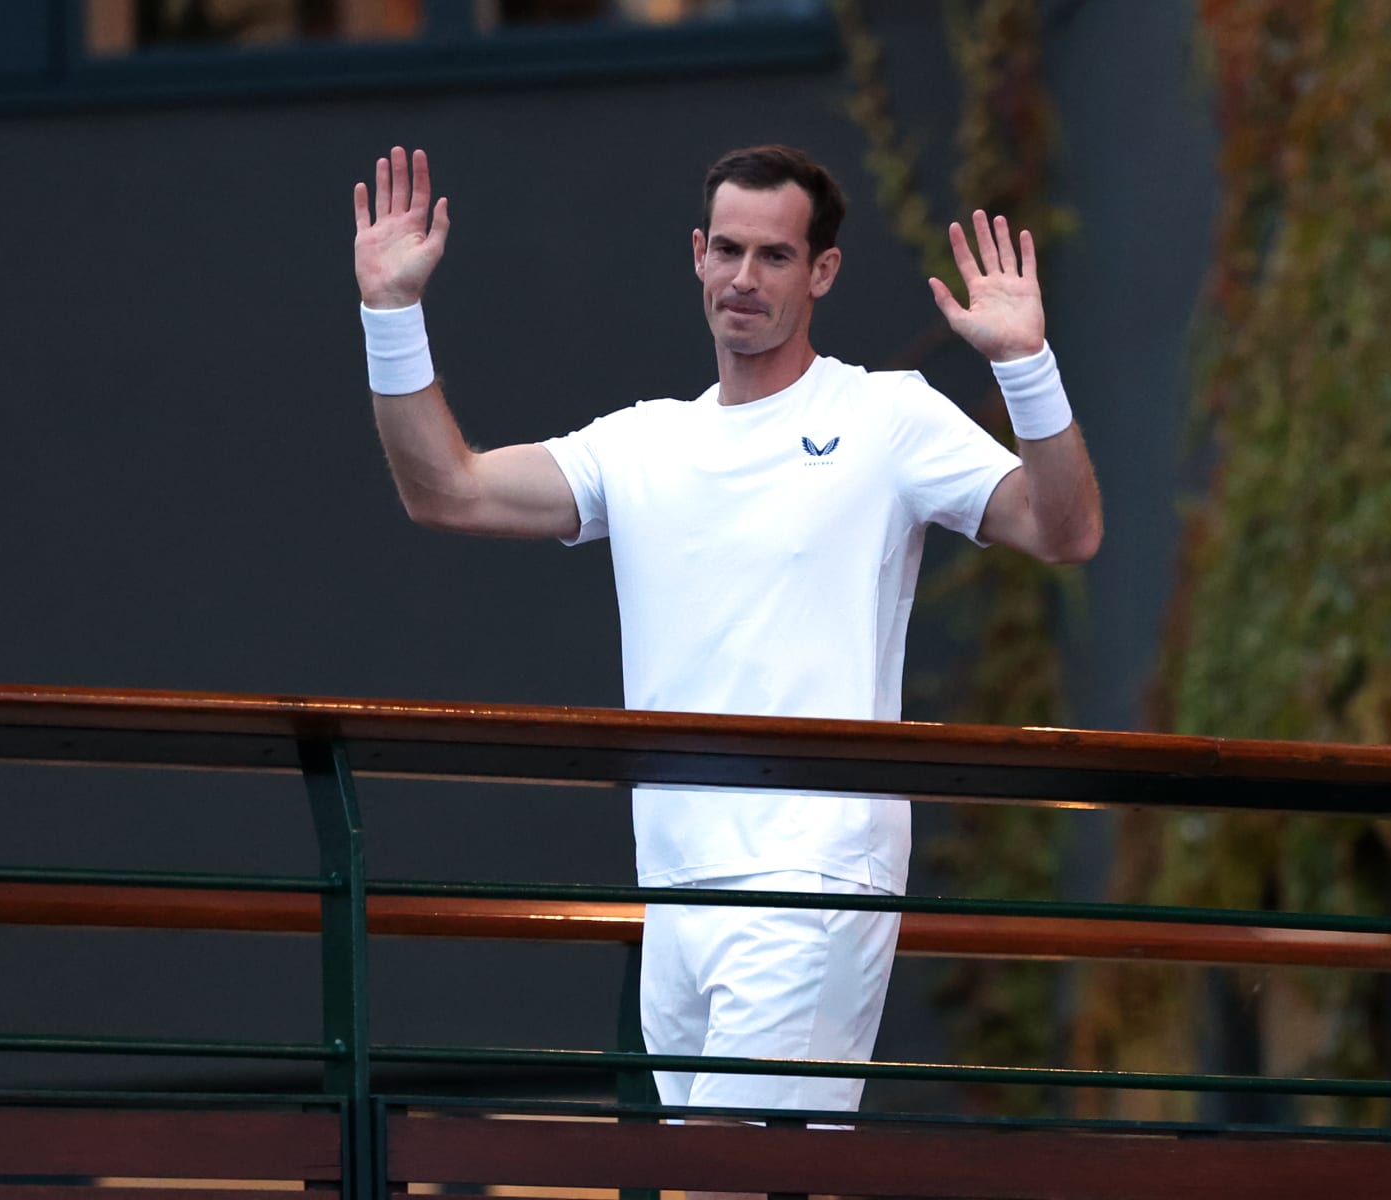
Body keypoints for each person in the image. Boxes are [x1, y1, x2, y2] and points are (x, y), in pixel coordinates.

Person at [353, 144, 1102, 1120]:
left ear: (821, 272)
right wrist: (390, 312)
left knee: (723, 1177)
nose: (746, 279)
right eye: (730, 250)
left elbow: (1065, 527)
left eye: (776, 256)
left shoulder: (886, 416)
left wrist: (1026, 364)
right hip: (674, 887)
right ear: (699, 254)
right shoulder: (643, 440)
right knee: (723, 1174)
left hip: (814, 876)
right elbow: (446, 490)